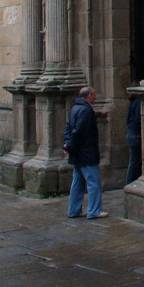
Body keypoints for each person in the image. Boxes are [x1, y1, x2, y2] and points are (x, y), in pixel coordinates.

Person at [62, 86, 105, 219]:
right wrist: (70, 146)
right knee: (94, 182)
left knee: (78, 182)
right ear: (88, 96)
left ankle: (73, 210)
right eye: (94, 95)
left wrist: (67, 145)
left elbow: (68, 129)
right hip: (86, 153)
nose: (96, 98)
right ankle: (94, 211)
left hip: (77, 153)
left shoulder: (75, 108)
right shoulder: (86, 110)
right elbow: (79, 132)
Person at [125, 94, 141, 185]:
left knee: (134, 162)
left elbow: (128, 120)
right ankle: (129, 184)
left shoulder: (133, 101)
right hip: (136, 134)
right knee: (134, 162)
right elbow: (138, 119)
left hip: (131, 133)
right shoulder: (138, 101)